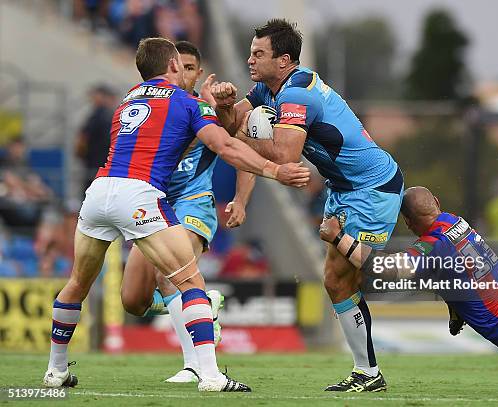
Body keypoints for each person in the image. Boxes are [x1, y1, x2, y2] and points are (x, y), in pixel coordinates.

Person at [42, 37, 310, 392]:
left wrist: (221, 110)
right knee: (188, 283)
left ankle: (55, 371)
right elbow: (227, 145)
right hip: (139, 197)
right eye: (178, 65)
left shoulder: (128, 99)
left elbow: (167, 140)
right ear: (172, 66)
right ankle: (211, 376)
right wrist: (276, 171)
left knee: (78, 282)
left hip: (99, 192)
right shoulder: (188, 103)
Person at [209, 19, 403, 392]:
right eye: (250, 52)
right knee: (338, 279)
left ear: (283, 60)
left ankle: (372, 366)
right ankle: (368, 371)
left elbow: (284, 154)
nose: (250, 60)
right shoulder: (269, 89)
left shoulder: (297, 93)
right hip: (345, 187)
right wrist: (224, 105)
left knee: (345, 272)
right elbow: (232, 124)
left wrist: (236, 132)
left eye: (258, 54)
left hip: (371, 187)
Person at [319, 186, 498, 394]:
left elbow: (382, 268)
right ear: (436, 201)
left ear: (408, 222)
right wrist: (456, 305)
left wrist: (339, 237)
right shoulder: (455, 221)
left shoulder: (430, 246)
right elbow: (459, 270)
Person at [119, 40, 256, 384]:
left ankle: (194, 365)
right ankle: (201, 303)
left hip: (194, 204)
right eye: (180, 65)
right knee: (133, 301)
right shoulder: (150, 104)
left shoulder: (205, 110)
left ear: (197, 72)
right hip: (153, 205)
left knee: (170, 272)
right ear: (169, 67)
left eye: (192, 67)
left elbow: (238, 148)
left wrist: (240, 199)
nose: (184, 72)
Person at [74, 84, 116, 195]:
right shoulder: (108, 115)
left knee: (90, 193)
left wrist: (80, 153)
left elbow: (83, 136)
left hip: (96, 162)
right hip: (104, 162)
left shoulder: (99, 114)